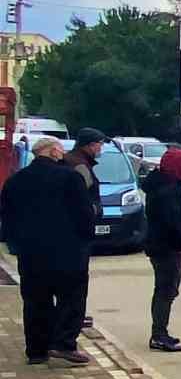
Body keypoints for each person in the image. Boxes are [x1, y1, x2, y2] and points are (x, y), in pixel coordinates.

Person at [0, 137, 96, 366]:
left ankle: (36, 350)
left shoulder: (15, 180)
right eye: (60, 150)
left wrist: (16, 245)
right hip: (68, 251)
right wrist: (86, 241)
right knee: (71, 298)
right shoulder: (70, 178)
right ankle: (63, 344)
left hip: (30, 253)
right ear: (53, 151)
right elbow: (84, 215)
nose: (62, 154)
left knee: (35, 300)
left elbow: (6, 217)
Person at [142, 147, 181, 352]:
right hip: (167, 248)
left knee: (167, 290)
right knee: (166, 290)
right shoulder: (168, 191)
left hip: (165, 246)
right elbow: (172, 222)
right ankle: (158, 334)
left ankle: (160, 332)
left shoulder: (165, 185)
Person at [63, 128, 106, 333]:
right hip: (77, 233)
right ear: (89, 145)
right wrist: (95, 210)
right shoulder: (79, 166)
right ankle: (72, 323)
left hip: (70, 232)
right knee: (76, 281)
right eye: (99, 144)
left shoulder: (74, 160)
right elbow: (84, 200)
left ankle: (74, 317)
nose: (101, 148)